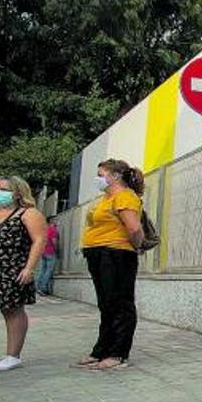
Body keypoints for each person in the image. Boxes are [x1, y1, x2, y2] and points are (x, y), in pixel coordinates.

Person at [78, 159, 145, 371]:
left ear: (115, 176)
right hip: (98, 252)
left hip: (116, 253)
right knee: (106, 304)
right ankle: (101, 350)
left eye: (101, 174)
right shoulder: (106, 198)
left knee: (119, 303)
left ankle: (118, 353)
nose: (98, 179)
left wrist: (134, 247)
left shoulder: (125, 196)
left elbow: (133, 229)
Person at [0, 176, 46, 373]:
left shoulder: (27, 213)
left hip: (12, 268)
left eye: (3, 189)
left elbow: (39, 240)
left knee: (12, 310)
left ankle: (12, 355)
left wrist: (30, 268)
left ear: (17, 192)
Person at [35, 216, 58, 296]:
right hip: (50, 252)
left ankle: (37, 287)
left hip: (43, 251)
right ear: (51, 221)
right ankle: (43, 288)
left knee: (43, 270)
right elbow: (54, 241)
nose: (56, 221)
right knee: (49, 270)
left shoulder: (45, 229)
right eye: (55, 220)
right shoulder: (53, 229)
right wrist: (57, 250)